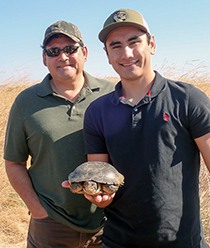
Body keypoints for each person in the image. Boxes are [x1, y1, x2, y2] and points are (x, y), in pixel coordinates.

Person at [82, 9, 210, 247]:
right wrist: (98, 196)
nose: (126, 53)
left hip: (183, 241)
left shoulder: (189, 99)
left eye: (135, 42)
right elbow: (99, 177)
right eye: (116, 46)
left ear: (151, 44)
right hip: (118, 241)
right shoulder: (97, 111)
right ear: (107, 55)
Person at [4, 20, 115, 248]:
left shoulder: (111, 94)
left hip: (109, 222)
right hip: (51, 225)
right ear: (45, 59)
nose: (62, 56)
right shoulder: (25, 102)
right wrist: (38, 211)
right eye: (53, 51)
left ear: (84, 53)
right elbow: (14, 162)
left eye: (70, 49)